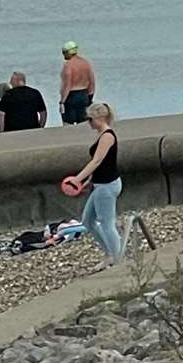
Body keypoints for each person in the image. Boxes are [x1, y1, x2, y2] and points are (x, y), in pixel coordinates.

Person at [61, 103, 125, 268]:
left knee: (107, 223)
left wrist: (77, 179)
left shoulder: (107, 136)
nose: (88, 122)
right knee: (87, 220)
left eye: (90, 119)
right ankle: (110, 253)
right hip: (100, 184)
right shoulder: (101, 135)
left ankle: (118, 259)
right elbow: (102, 164)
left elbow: (97, 161)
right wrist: (88, 180)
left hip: (107, 186)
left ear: (99, 118)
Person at [57, 41, 95, 125]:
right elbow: (92, 82)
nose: (63, 55)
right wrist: (90, 97)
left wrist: (62, 101)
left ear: (68, 52)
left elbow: (67, 84)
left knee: (68, 123)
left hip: (71, 96)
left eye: (64, 52)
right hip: (84, 95)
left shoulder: (68, 65)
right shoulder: (86, 63)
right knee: (84, 122)